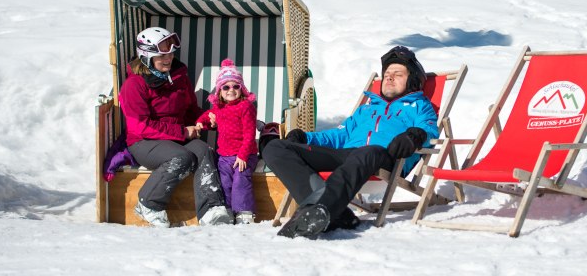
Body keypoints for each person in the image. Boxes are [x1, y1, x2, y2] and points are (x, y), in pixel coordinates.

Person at [262, 45, 438, 238]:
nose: (389, 77)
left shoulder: (420, 106)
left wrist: (414, 136)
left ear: (412, 81)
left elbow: (430, 131)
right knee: (275, 148)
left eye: (398, 74)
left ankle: (321, 208)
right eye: (387, 73)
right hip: (347, 155)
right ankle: (333, 212)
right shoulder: (366, 109)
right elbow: (340, 135)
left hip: (385, 157)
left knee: (368, 151)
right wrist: (306, 137)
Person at [119, 27, 231, 227]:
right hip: (144, 142)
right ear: (147, 56)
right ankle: (148, 203)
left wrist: (208, 119)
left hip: (175, 138)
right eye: (162, 54)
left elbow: (190, 111)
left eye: (170, 53)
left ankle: (211, 210)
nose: (168, 58)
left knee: (203, 150)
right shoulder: (134, 85)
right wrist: (182, 132)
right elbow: (140, 125)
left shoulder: (178, 77)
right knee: (181, 157)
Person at [196, 59, 259, 225]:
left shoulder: (246, 106)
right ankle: (228, 211)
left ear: (241, 89)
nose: (231, 90)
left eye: (235, 86)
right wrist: (200, 123)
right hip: (224, 155)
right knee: (225, 183)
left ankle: (244, 212)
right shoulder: (219, 107)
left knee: (240, 180)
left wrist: (243, 155)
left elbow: (249, 134)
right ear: (220, 91)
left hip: (244, 154)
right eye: (226, 87)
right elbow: (209, 117)